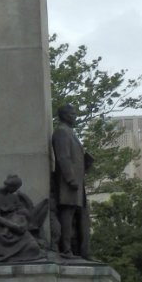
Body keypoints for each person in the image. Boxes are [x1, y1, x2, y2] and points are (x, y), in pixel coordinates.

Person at [0, 173, 48, 263]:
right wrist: (13, 226)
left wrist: (24, 220)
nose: (16, 190)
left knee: (34, 248)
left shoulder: (13, 196)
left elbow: (20, 209)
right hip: (0, 227)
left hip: (15, 229)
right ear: (10, 186)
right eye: (15, 188)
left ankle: (17, 254)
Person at [50, 104, 91, 258]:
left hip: (76, 183)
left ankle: (75, 249)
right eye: (71, 113)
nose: (74, 116)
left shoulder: (69, 132)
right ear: (63, 115)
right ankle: (66, 249)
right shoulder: (61, 132)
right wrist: (70, 178)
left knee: (74, 215)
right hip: (68, 183)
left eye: (75, 113)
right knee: (67, 215)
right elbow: (63, 157)